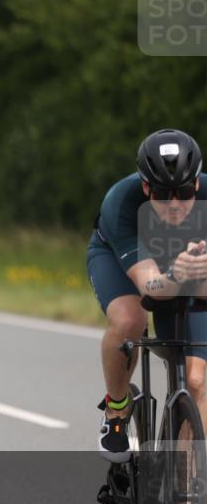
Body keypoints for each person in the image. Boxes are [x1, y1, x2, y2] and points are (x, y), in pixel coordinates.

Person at [87, 129, 207, 464]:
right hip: (124, 261)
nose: (173, 203)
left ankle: (186, 490)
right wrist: (178, 276)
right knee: (130, 319)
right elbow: (149, 286)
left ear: (196, 184)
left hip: (185, 266)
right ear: (144, 187)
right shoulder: (121, 202)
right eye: (160, 193)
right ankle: (117, 410)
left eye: (183, 192)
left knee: (197, 380)